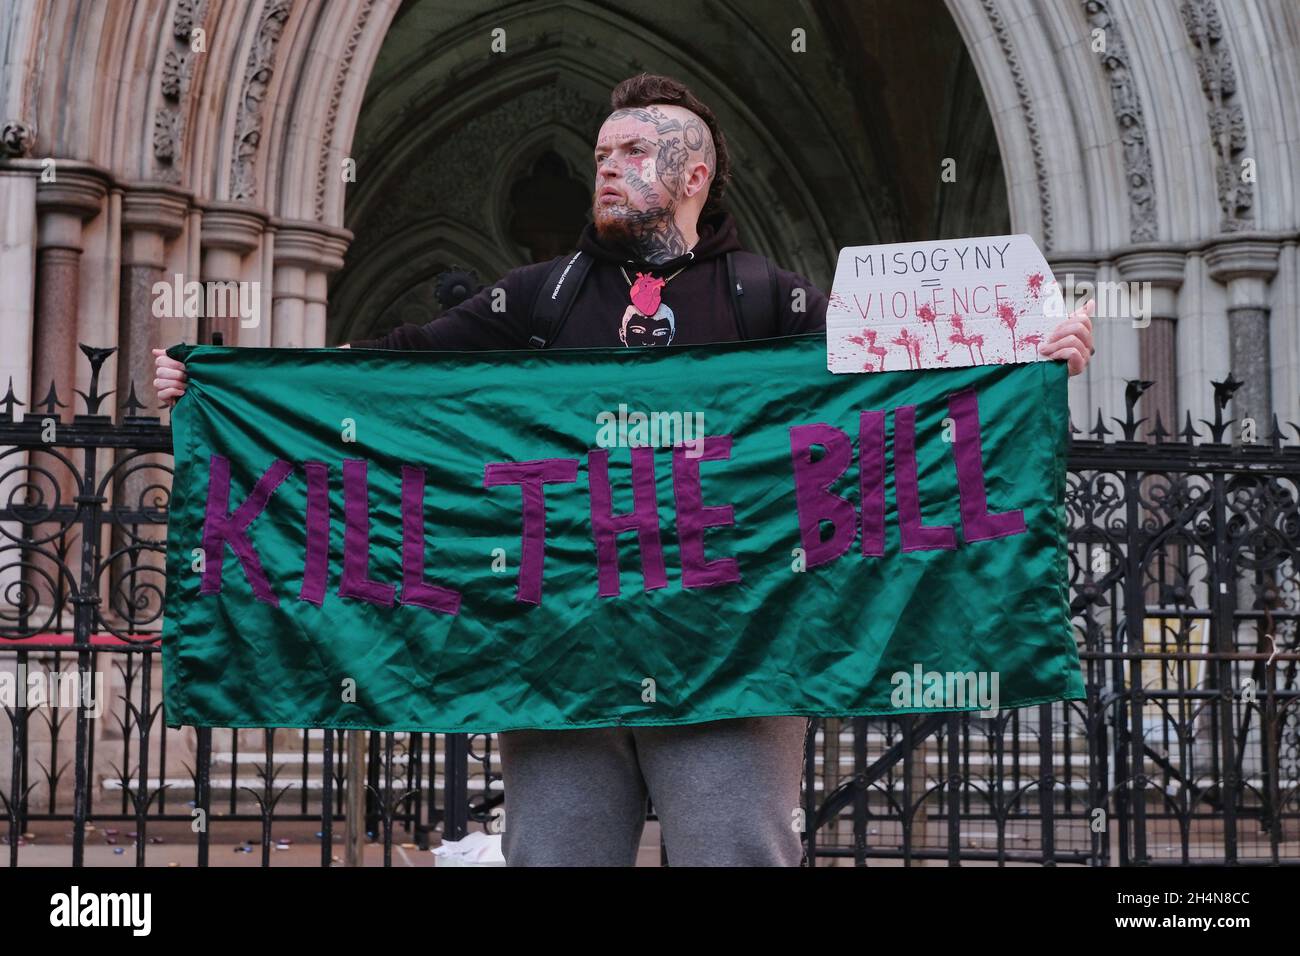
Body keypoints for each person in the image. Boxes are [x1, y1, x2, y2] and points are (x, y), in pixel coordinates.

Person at [155, 73, 1095, 866]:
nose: (604, 167)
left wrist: (1036, 353)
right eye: (601, 154)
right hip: (564, 661)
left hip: (737, 661)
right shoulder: (538, 298)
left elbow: (926, 378)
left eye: (633, 153)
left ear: (695, 175)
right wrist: (224, 385)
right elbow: (394, 369)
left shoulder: (771, 297)